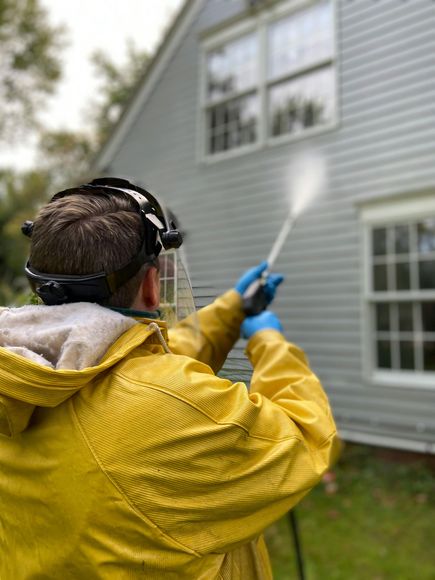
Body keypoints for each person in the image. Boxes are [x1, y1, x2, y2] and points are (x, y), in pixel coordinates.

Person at [0, 177, 339, 579]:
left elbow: (138, 363)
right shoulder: (162, 406)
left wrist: (232, 309)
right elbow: (302, 437)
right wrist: (269, 340)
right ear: (150, 284)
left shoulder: (25, 370)